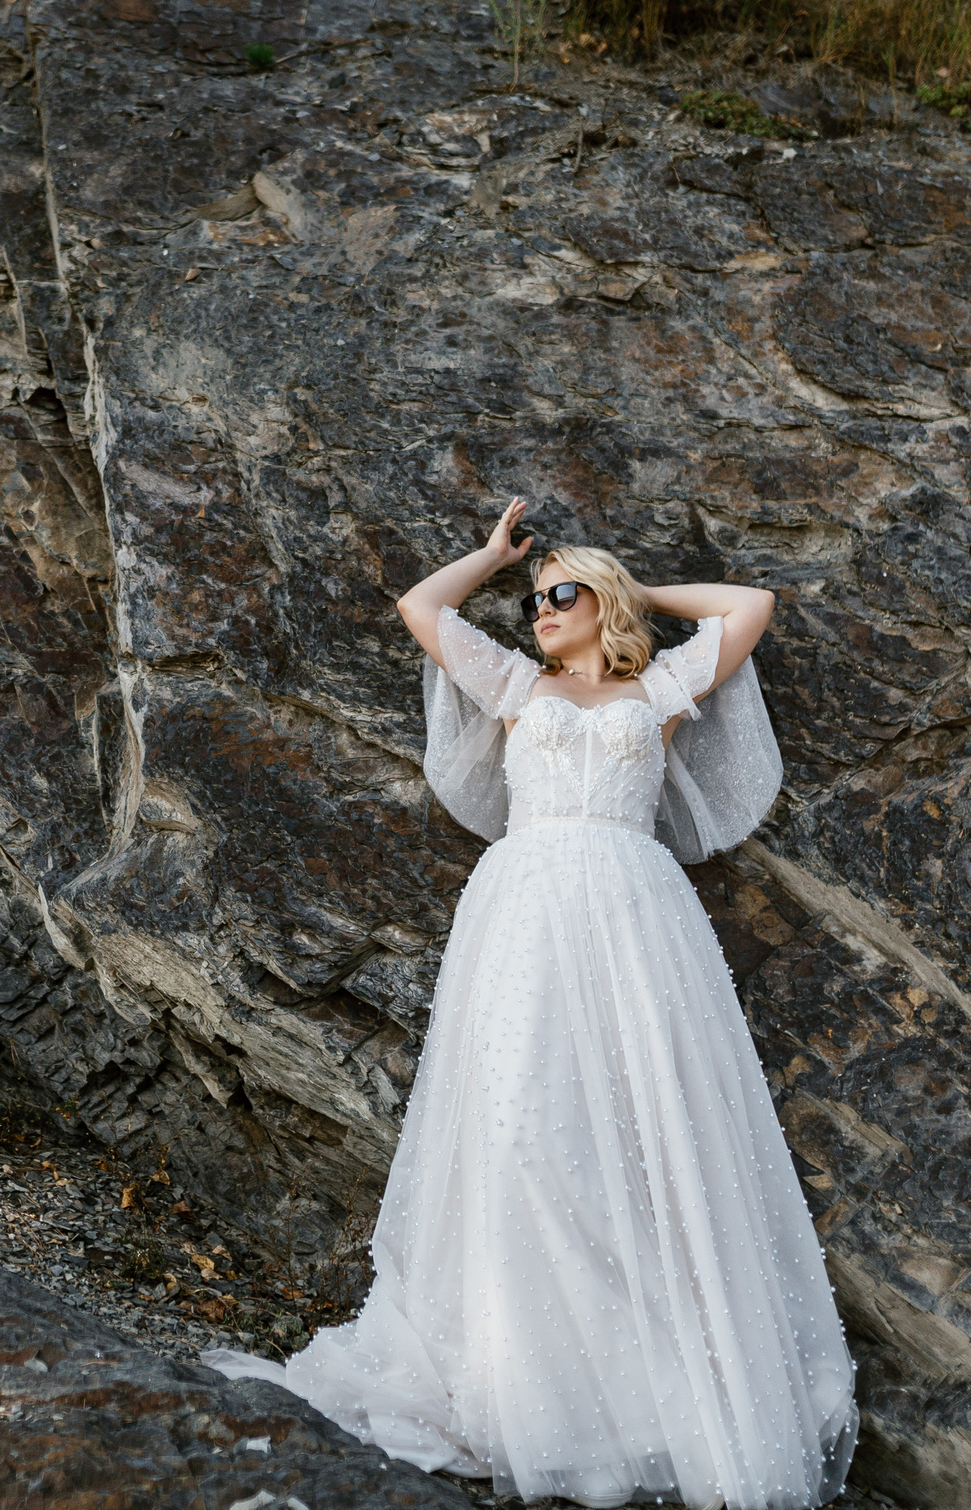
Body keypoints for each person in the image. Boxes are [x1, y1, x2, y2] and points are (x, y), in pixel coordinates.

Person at [200, 497, 858, 1509]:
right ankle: (525, 1382)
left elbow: (749, 602)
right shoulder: (515, 682)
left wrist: (636, 587)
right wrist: (486, 558)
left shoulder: (661, 687)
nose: (540, 609)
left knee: (644, 1136)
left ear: (602, 604)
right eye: (534, 599)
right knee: (517, 1127)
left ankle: (636, 1397)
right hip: (522, 909)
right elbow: (423, 609)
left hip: (638, 917)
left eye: (561, 594)